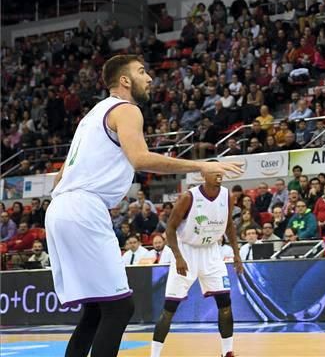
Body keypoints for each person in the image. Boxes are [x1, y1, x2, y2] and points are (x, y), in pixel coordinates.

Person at [44, 55, 241, 357]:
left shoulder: (91, 117)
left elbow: (59, 177)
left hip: (60, 208)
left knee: (96, 310)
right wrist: (200, 164)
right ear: (125, 80)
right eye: (141, 71)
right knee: (120, 308)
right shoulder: (127, 109)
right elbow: (141, 159)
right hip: (83, 207)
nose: (149, 77)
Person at [152, 167, 243, 357]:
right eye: (214, 172)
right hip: (187, 251)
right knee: (169, 309)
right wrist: (177, 256)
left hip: (211, 252)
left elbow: (229, 227)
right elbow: (170, 229)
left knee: (225, 304)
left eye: (221, 173)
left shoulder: (226, 195)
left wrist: (237, 254)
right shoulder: (188, 197)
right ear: (203, 175)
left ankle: (227, 352)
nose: (219, 176)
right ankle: (155, 354)